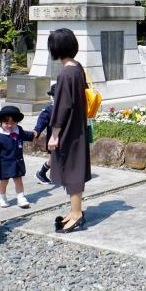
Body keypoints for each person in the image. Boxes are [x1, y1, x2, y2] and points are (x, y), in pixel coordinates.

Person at [47, 28, 91, 233]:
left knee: (72, 169)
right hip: (77, 125)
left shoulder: (66, 73)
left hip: (68, 129)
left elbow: (62, 106)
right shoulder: (77, 67)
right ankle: (74, 211)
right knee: (74, 166)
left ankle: (77, 214)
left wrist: (54, 135)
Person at [0, 105, 34, 208]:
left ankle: (21, 197)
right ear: (1, 122)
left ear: (17, 122)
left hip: (17, 161)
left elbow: (25, 135)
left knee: (18, 180)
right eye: (6, 123)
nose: (9, 125)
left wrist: (34, 134)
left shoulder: (18, 130)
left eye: (13, 122)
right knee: (4, 181)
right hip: (3, 163)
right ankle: (1, 198)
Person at [33, 85, 55, 185]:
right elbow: (41, 122)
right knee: (53, 160)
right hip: (53, 139)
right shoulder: (49, 110)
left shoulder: (69, 108)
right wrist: (36, 132)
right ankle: (41, 173)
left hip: (67, 139)